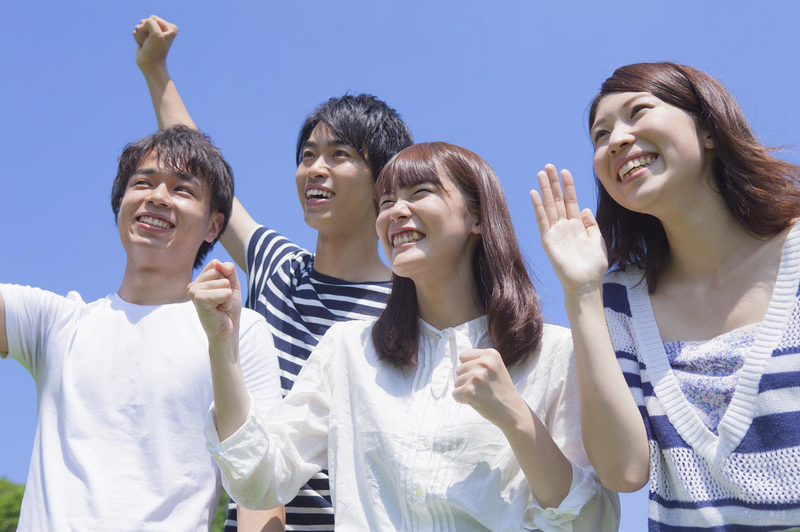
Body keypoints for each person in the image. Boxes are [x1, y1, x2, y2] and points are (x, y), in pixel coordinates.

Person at [190, 142, 620, 531]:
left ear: (477, 216)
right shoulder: (349, 350)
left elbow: (592, 522)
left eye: (420, 193)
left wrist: (516, 417)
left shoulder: (554, 353)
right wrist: (223, 344)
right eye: (386, 202)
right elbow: (258, 481)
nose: (395, 212)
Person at [133, 14, 414, 532]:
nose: (315, 169)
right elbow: (204, 168)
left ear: (383, 180)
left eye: (339, 155)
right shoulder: (278, 268)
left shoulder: (410, 302)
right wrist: (156, 71)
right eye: (307, 156)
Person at [531, 62, 800, 531]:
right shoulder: (619, 300)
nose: (616, 140)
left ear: (709, 128)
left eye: (638, 111)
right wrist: (581, 290)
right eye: (600, 135)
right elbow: (624, 471)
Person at [0, 126, 283, 531]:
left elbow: (261, 489)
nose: (158, 196)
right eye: (143, 183)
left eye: (182, 190)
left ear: (213, 226)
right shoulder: (57, 324)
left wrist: (223, 340)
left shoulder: (238, 329)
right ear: (121, 204)